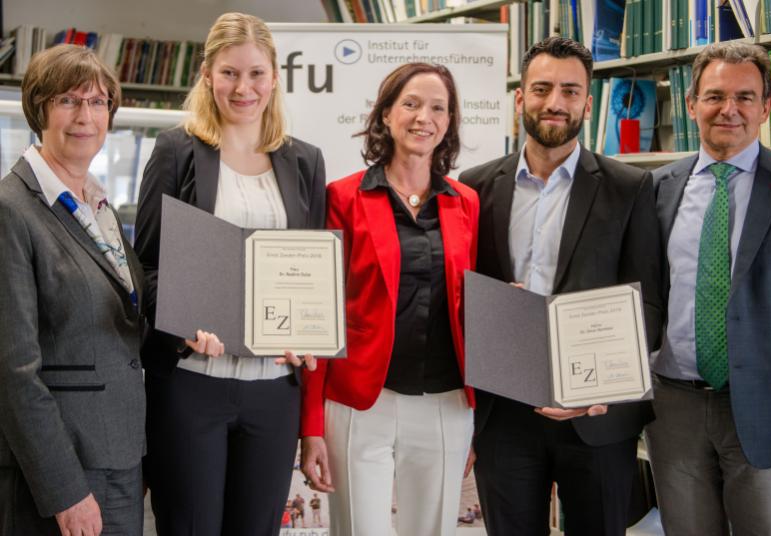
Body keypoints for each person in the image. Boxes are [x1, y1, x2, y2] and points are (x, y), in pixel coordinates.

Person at [459, 36, 662, 536]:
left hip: (597, 417)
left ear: (588, 103)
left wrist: (602, 390)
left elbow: (650, 306)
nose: (555, 102)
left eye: (570, 91)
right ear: (519, 98)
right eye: (542, 88)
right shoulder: (474, 186)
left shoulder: (630, 187)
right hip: (503, 416)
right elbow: (461, 299)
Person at [134, 12, 324, 535]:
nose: (244, 88)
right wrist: (180, 325)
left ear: (275, 77)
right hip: (193, 386)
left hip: (274, 391)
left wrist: (307, 332)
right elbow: (144, 267)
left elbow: (311, 269)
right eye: (230, 73)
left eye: (256, 74)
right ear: (207, 75)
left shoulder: (305, 161)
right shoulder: (177, 150)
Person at [300, 62, 479, 536]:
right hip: (361, 400)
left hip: (446, 400)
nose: (425, 117)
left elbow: (473, 311)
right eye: (411, 104)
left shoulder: (466, 203)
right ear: (385, 116)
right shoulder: (341, 197)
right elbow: (320, 315)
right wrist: (311, 423)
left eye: (439, 108)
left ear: (450, 122)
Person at [648, 41, 771, 536]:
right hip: (673, 409)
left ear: (766, 108)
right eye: (714, 96)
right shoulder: (654, 189)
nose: (729, 109)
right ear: (691, 104)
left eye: (745, 96)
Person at [0, 44, 145, 536]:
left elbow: (120, 324)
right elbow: (13, 371)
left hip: (120, 457)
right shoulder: (11, 210)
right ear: (38, 109)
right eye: (68, 100)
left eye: (98, 102)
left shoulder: (99, 205)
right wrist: (66, 491)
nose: (86, 116)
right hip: (60, 473)